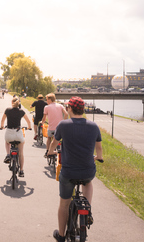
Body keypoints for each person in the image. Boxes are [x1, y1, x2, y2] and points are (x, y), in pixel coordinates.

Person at [48, 96, 103, 242]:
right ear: (83, 109)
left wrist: (50, 151)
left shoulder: (63, 125)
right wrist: (99, 157)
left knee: (64, 203)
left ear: (70, 108)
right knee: (88, 182)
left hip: (68, 172)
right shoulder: (93, 126)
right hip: (87, 170)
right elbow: (99, 147)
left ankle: (61, 235)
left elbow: (55, 142)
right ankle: (88, 209)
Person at [0, 96, 32, 177]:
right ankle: (21, 171)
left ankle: (7, 155)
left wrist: (2, 126)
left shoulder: (7, 110)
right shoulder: (21, 111)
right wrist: (29, 127)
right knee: (21, 153)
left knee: (7, 143)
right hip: (18, 134)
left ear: (12, 103)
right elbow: (28, 121)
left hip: (9, 134)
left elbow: (2, 120)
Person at [41, 93, 68, 158]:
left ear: (50, 99)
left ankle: (48, 151)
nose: (46, 101)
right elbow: (66, 114)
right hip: (60, 128)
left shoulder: (46, 107)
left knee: (49, 138)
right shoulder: (60, 106)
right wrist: (63, 122)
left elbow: (44, 118)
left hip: (51, 128)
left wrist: (42, 123)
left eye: (47, 99)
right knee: (61, 139)